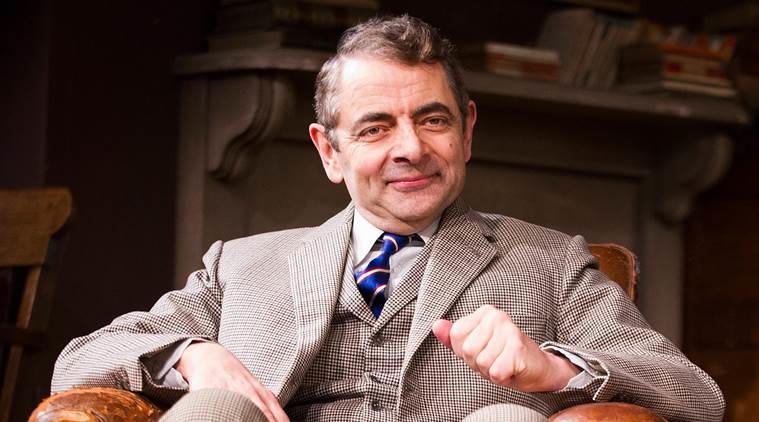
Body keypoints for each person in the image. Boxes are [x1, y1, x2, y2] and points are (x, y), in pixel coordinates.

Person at [52, 15, 724, 422]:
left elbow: (696, 396)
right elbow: (78, 361)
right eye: (376, 127)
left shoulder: (548, 262)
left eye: (432, 120)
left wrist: (551, 370)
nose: (411, 148)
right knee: (218, 407)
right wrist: (192, 355)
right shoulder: (243, 264)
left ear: (465, 130)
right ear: (330, 151)